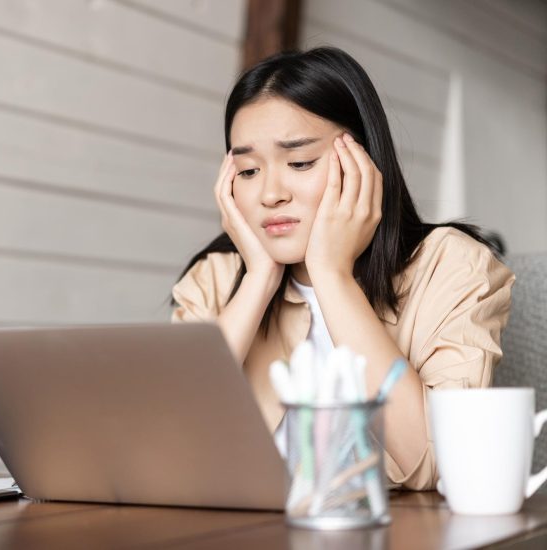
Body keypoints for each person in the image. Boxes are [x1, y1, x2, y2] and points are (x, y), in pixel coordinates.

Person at [170, 47, 515, 491]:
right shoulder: (214, 278)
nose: (270, 194)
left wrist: (332, 275)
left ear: (363, 162)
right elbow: (164, 448)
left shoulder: (452, 266)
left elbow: (437, 463)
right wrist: (258, 279)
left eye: (300, 163)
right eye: (249, 169)